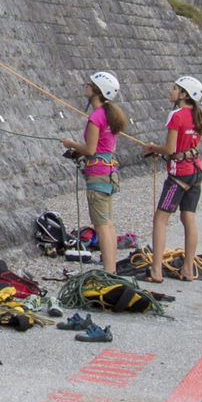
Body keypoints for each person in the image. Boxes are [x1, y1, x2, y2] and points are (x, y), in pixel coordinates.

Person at [139, 75, 202, 283]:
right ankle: (188, 269)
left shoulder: (176, 115)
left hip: (179, 175)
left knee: (160, 219)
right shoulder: (197, 115)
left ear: (184, 94)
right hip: (195, 172)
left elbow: (170, 148)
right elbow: (192, 145)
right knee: (189, 218)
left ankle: (156, 270)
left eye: (175, 89)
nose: (171, 91)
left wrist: (153, 149)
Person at [61, 72, 126, 266]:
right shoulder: (109, 114)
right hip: (109, 171)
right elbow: (100, 146)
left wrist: (71, 144)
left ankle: (108, 270)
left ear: (96, 90)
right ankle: (111, 267)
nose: (86, 86)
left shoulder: (96, 117)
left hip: (98, 174)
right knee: (108, 222)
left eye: (90, 84)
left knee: (101, 225)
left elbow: (90, 149)